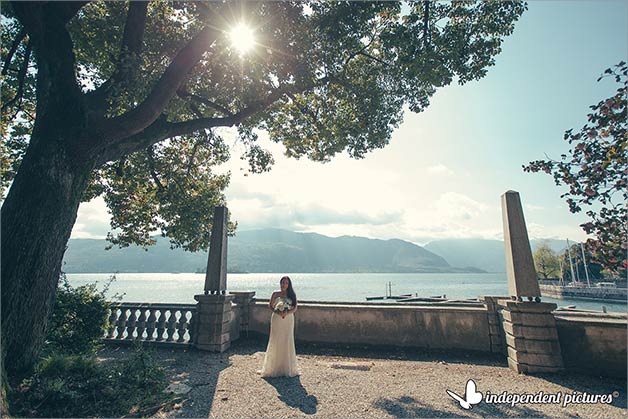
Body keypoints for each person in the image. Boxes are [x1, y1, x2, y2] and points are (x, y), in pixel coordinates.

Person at [259, 276, 299, 377]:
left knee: (287, 339)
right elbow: (270, 305)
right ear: (280, 283)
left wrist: (286, 313)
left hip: (288, 319)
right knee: (275, 339)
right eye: (282, 282)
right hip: (277, 319)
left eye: (286, 283)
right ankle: (273, 367)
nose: (284, 285)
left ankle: (286, 367)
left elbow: (295, 308)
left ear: (288, 284)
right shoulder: (275, 294)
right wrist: (278, 312)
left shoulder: (292, 295)